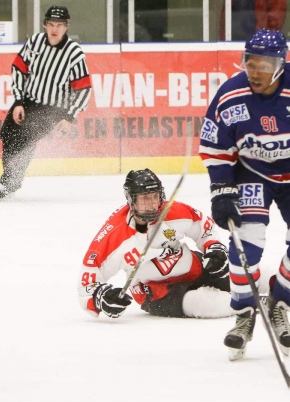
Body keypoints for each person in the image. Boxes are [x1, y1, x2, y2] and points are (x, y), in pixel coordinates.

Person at [199, 28, 290, 361]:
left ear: (280, 65)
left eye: (264, 64)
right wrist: (221, 190)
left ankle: (280, 298)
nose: (255, 70)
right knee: (245, 245)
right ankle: (243, 313)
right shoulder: (230, 94)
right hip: (250, 172)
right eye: (250, 62)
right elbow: (215, 146)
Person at [78, 169, 233, 320]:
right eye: (145, 198)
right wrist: (100, 296)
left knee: (250, 274)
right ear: (131, 199)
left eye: (155, 196)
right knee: (203, 304)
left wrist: (214, 247)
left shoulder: (172, 211)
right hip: (156, 292)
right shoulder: (115, 235)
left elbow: (204, 228)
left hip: (193, 268)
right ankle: (248, 303)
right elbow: (86, 284)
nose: (152, 204)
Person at [0, 5, 92, 199]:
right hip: (28, 101)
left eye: (59, 25)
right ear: (45, 25)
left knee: (25, 139)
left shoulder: (74, 53)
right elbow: (19, 69)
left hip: (53, 109)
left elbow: (83, 88)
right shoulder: (34, 42)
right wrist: (18, 101)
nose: (54, 29)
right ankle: (10, 180)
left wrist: (70, 116)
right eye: (51, 24)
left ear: (66, 28)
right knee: (9, 134)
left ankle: (9, 182)